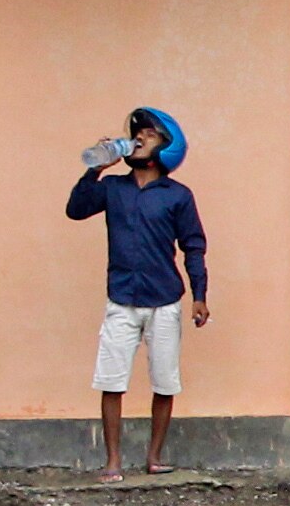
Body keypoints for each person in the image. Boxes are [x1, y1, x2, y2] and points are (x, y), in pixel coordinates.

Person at [65, 106, 208, 478]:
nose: (140, 137)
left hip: (164, 301)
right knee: (111, 380)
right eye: (138, 132)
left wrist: (199, 294)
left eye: (151, 134)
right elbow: (75, 210)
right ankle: (113, 460)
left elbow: (193, 245)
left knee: (164, 380)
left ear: (167, 147)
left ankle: (154, 456)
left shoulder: (177, 195)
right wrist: (96, 167)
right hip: (121, 300)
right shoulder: (113, 188)